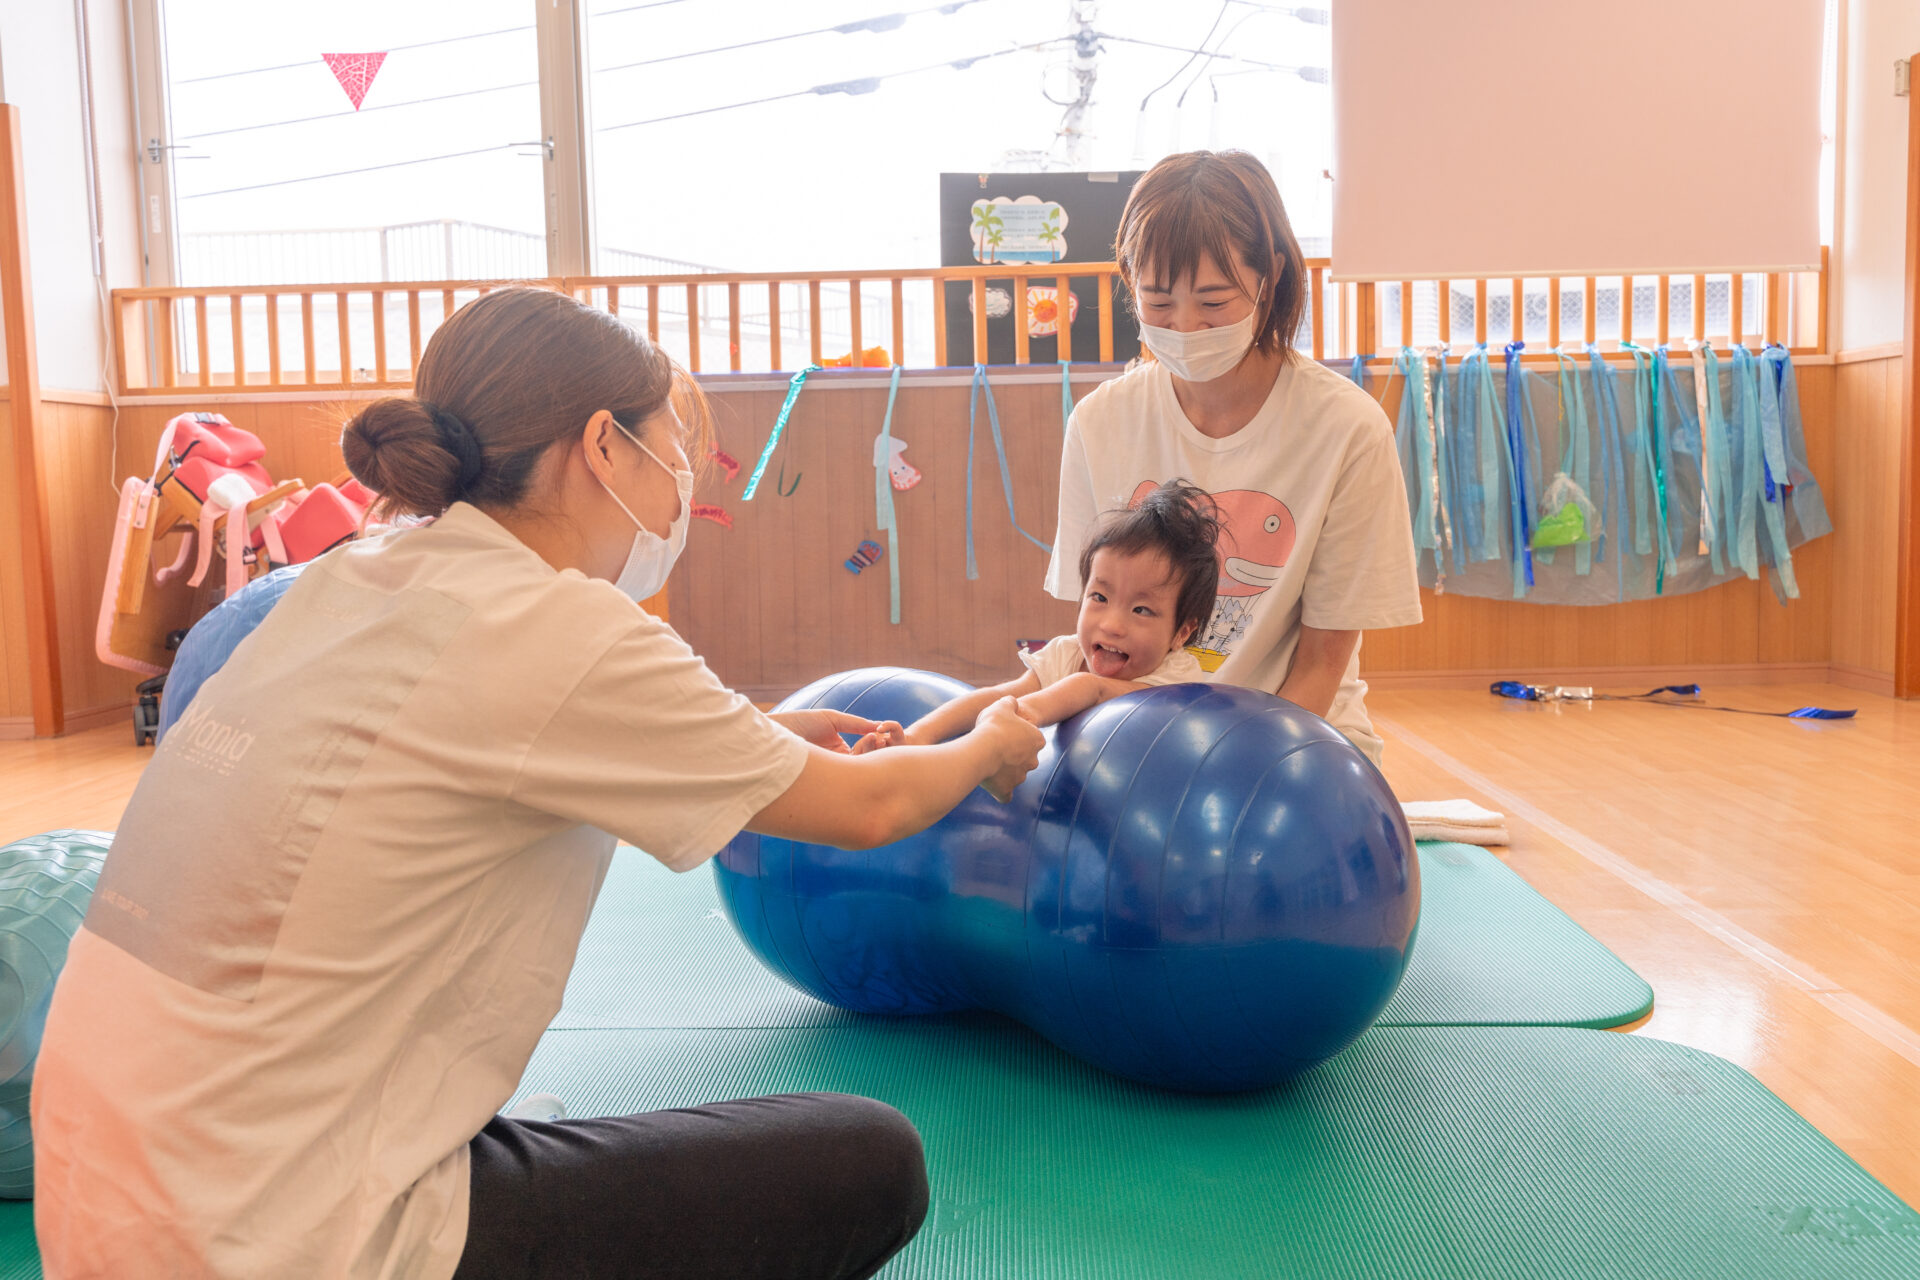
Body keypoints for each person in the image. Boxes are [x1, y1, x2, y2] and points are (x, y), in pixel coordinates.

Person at [31, 286, 1044, 1280]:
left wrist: (760, 733)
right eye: (672, 445)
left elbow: (488, 741)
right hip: (284, 1234)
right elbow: (869, 807)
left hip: (102, 1199)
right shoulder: (558, 626)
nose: (683, 483)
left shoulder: (351, 579)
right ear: (603, 444)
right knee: (864, 1159)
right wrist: (989, 742)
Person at [1046, 150, 1422, 766]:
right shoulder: (1100, 421)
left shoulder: (1346, 428)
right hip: (1139, 739)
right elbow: (1095, 633)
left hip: (1296, 740)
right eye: (1159, 303)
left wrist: (1245, 775)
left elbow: (1323, 662)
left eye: (1214, 303)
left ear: (1268, 277)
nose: (1187, 327)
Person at [881, 480, 1219, 789]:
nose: (1112, 625)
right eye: (1099, 597)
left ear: (1181, 632)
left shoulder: (1180, 681)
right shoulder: (1067, 654)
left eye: (1141, 610)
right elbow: (1001, 695)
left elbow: (1093, 691)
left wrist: (1006, 725)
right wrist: (917, 736)